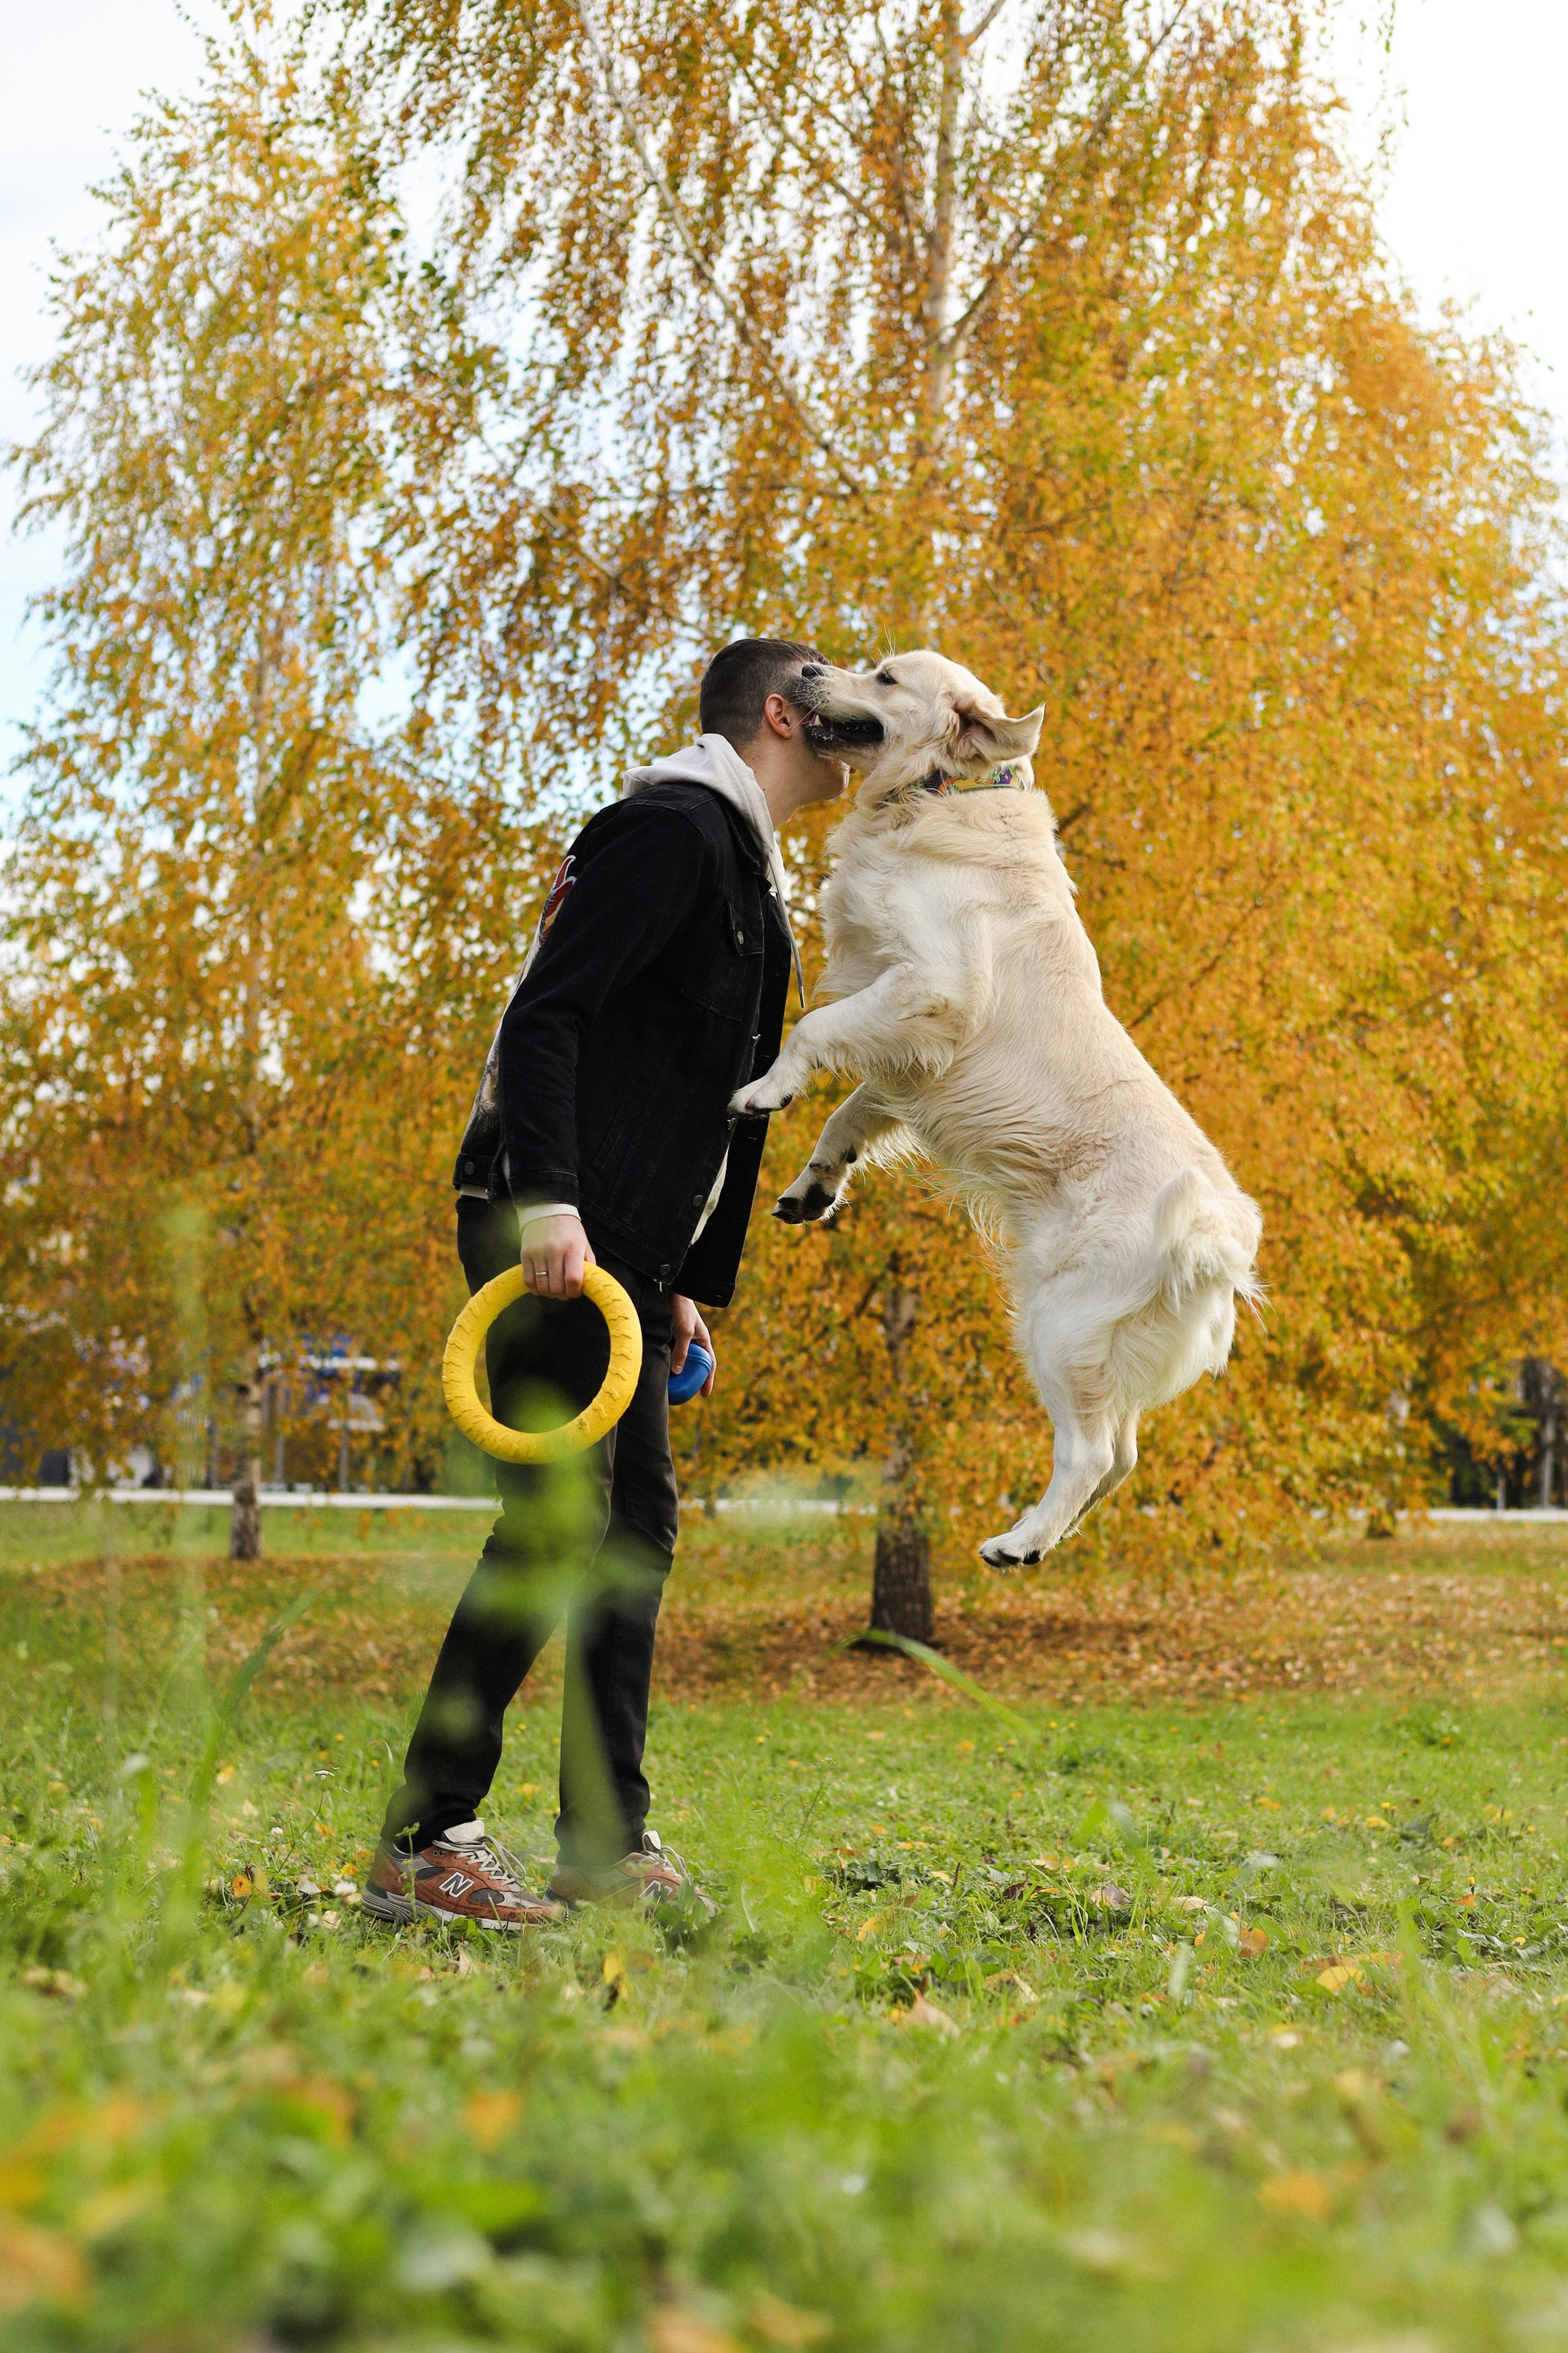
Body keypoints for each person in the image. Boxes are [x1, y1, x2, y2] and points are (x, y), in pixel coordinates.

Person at [364, 638, 848, 1930]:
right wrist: (556, 1203)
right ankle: (425, 1837)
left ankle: (600, 1841)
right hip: (543, 1222)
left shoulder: (742, 863)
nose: (860, 724)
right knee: (557, 1529)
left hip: (614, 1251)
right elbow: (548, 1017)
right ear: (783, 715)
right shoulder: (670, 830)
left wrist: (672, 1271)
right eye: (839, 698)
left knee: (630, 1534)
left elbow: (681, 1086)